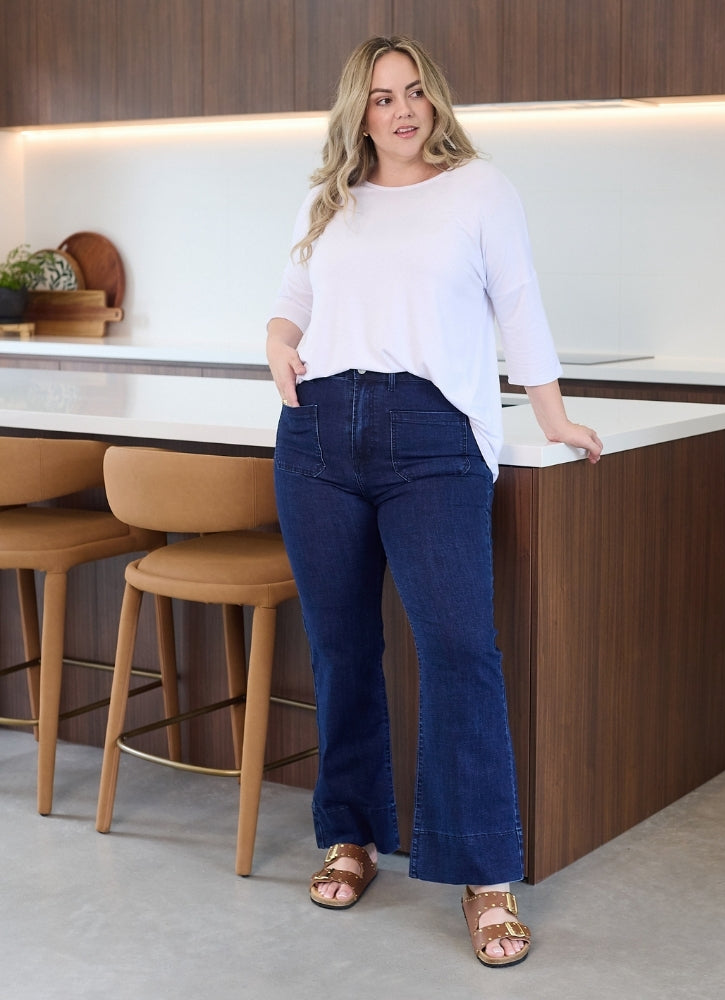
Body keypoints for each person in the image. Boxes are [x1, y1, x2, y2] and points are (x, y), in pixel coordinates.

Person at [266, 35, 603, 968]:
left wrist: (553, 416)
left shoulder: (480, 189)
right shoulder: (329, 199)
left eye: (414, 91)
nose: (402, 109)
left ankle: (486, 876)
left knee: (460, 651)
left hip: (432, 438)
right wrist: (278, 342)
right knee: (340, 648)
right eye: (382, 97)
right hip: (317, 436)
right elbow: (291, 299)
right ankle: (352, 834)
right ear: (359, 112)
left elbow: (519, 303)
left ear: (435, 100)